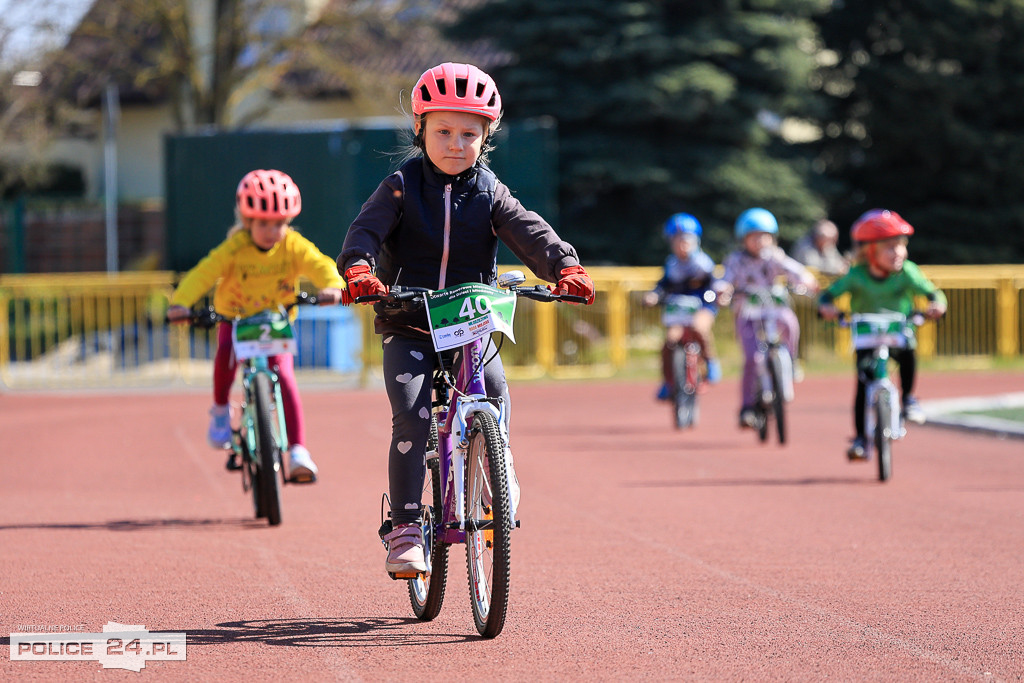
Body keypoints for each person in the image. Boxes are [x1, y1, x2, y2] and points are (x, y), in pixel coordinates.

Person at [338, 62, 596, 576]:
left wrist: (564, 264)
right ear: (420, 130)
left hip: (470, 321)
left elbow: (529, 230)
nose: (456, 144)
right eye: (443, 131)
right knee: (411, 412)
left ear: (487, 137)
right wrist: (361, 271)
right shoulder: (400, 186)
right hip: (408, 320)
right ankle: (407, 527)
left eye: (469, 134)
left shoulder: (490, 191)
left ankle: (495, 474)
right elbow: (363, 232)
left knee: (494, 392)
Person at [167, 169, 344, 482]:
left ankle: (299, 451)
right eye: (263, 223)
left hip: (276, 322)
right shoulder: (235, 248)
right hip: (235, 318)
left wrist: (331, 285)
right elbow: (204, 273)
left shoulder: (292, 245)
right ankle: (221, 411)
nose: (271, 231)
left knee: (286, 377)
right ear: (248, 221)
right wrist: (181, 302)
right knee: (226, 354)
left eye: (278, 223)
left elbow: (320, 263)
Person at [817, 209, 946, 460]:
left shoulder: (907, 272)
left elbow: (932, 293)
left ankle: (908, 398)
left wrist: (937, 305)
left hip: (898, 332)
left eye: (901, 246)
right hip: (867, 336)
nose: (898, 253)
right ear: (870, 252)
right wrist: (828, 307)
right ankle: (860, 439)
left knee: (908, 353)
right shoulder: (856, 276)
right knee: (863, 384)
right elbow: (828, 296)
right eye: (890, 247)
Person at [717, 207, 818, 429]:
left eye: (764, 236)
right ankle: (746, 407)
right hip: (748, 313)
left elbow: (795, 270)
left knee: (790, 324)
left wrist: (807, 281)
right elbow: (725, 279)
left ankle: (790, 361)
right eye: (754, 237)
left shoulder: (775, 257)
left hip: (774, 309)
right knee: (753, 359)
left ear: (772, 238)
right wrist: (722, 290)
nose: (760, 242)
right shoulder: (736, 260)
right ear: (744, 239)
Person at [642, 212, 722, 400]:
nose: (682, 244)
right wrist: (653, 296)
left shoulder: (703, 263)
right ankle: (668, 381)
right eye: (677, 240)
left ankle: (711, 363)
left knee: (699, 329)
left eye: (686, 240)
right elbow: (663, 286)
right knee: (670, 342)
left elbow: (715, 284)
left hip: (702, 306)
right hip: (679, 311)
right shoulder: (672, 264)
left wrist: (718, 294)